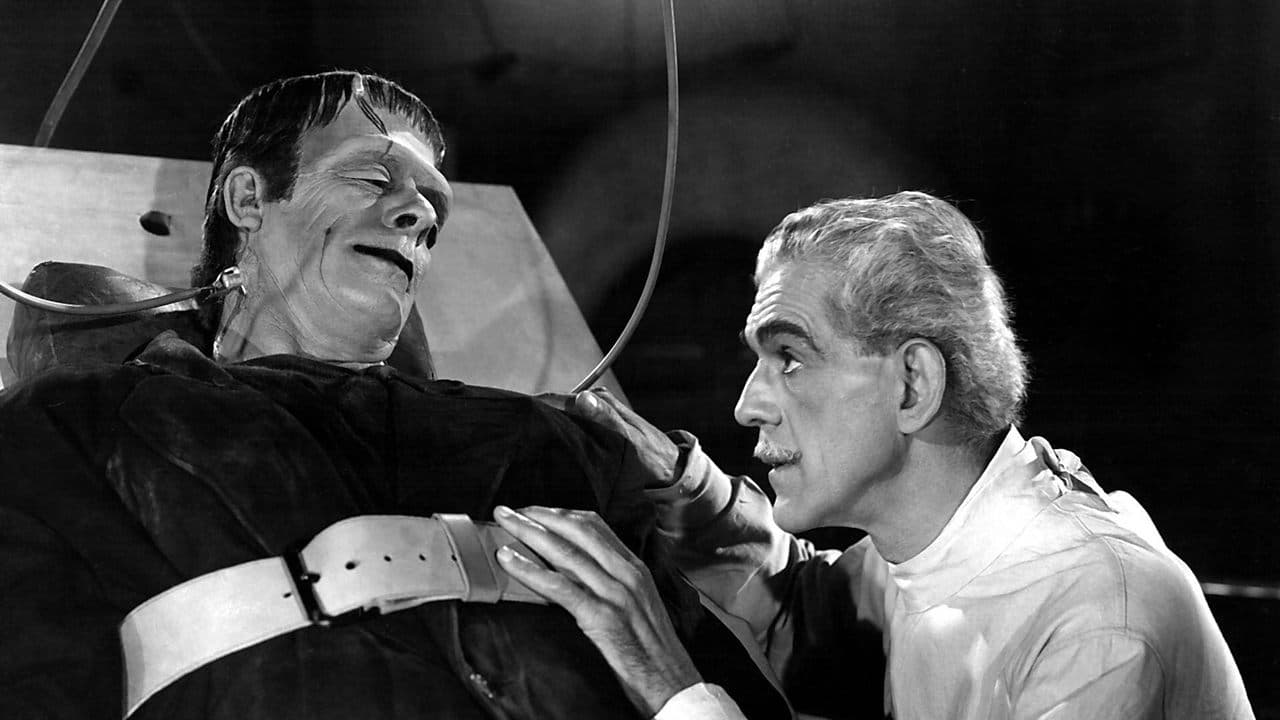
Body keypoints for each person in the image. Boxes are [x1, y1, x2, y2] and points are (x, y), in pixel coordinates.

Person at [0, 71, 787, 720]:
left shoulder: (559, 445)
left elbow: (734, 677)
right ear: (248, 201)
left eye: (433, 210)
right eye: (372, 177)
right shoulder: (74, 430)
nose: (419, 216)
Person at [494, 192, 1256, 719]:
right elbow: (804, 605)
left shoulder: (1100, 621)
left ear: (912, 383)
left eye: (790, 358)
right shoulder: (937, 542)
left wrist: (672, 690)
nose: (747, 405)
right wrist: (680, 483)